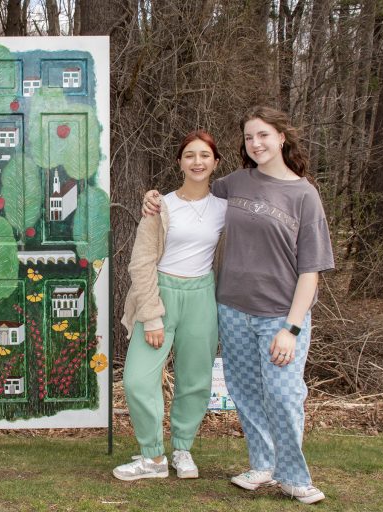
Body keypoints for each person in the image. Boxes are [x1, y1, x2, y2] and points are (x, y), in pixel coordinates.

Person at [142, 106, 334, 504]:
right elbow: (193, 197)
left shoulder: (304, 195)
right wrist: (153, 200)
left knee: (282, 395)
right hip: (231, 308)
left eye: (263, 135)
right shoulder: (236, 184)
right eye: (249, 137)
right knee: (245, 392)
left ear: (282, 137)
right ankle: (262, 466)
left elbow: (311, 270)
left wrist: (292, 328)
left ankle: (294, 477)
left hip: (281, 314)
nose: (256, 143)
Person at [114, 131, 227, 482]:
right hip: (161, 293)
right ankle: (152, 457)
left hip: (202, 296)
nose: (197, 162)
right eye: (190, 155)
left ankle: (182, 449)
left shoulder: (225, 207)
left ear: (215, 162)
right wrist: (151, 316)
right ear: (179, 162)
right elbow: (141, 262)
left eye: (205, 155)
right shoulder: (160, 205)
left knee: (195, 379)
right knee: (136, 379)